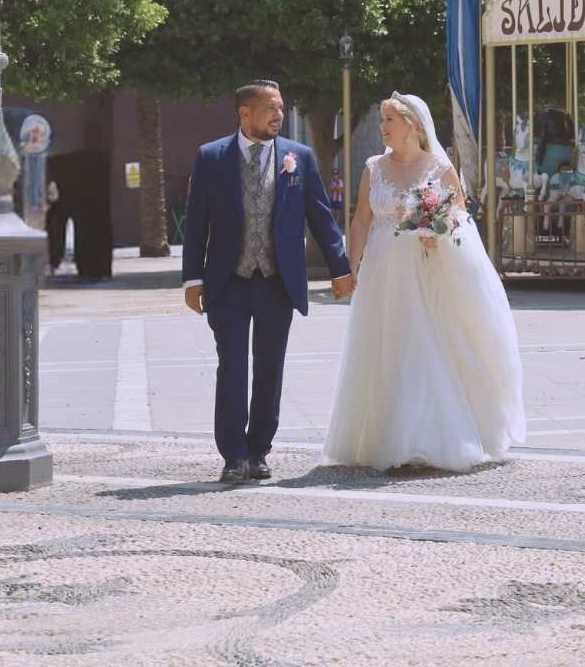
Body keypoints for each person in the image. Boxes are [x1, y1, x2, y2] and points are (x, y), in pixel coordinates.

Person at [322, 93, 524, 472]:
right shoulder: (373, 168)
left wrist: (439, 232)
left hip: (426, 269)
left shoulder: (439, 168)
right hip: (383, 272)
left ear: (412, 124)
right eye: (382, 120)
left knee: (424, 344)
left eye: (389, 120)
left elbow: (461, 217)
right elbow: (362, 220)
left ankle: (425, 439)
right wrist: (351, 267)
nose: (382, 127)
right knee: (386, 347)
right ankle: (387, 436)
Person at [182, 80, 355, 484]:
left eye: (281, 108)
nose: (279, 115)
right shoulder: (211, 157)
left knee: (270, 369)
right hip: (228, 281)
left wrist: (340, 268)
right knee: (232, 368)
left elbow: (321, 217)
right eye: (270, 108)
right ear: (245, 113)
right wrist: (193, 278)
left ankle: (258, 450)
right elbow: (196, 223)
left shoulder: (300, 157)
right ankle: (232, 454)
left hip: (278, 282)